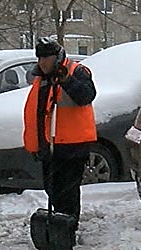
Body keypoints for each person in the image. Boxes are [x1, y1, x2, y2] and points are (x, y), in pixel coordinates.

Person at [23, 36, 97, 225]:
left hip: (73, 145)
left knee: (67, 191)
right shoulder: (41, 79)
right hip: (51, 143)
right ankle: (59, 222)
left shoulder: (77, 71)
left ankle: (68, 225)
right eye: (39, 58)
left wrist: (66, 81)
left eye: (45, 59)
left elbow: (86, 96)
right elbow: (40, 113)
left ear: (56, 57)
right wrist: (38, 145)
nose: (41, 63)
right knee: (52, 188)